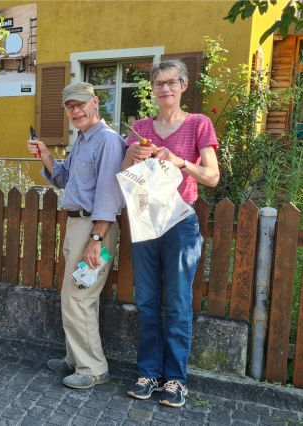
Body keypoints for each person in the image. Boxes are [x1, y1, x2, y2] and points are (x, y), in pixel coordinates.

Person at [122, 59, 219, 408]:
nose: (164, 88)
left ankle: (176, 379)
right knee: (147, 302)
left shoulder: (198, 124)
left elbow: (212, 176)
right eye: (158, 83)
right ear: (152, 88)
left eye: (171, 82)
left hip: (180, 223)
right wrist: (131, 155)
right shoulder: (140, 126)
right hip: (146, 220)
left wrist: (180, 162)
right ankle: (148, 373)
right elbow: (124, 175)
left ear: (183, 86)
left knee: (177, 303)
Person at [27, 81, 124, 389]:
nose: (75, 110)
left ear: (96, 102)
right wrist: (45, 154)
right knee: (77, 295)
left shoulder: (108, 141)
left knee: (78, 297)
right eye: (70, 106)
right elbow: (64, 179)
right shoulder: (83, 140)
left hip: (95, 228)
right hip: (77, 226)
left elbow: (110, 193)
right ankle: (75, 358)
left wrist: (96, 240)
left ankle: (93, 369)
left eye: (80, 103)